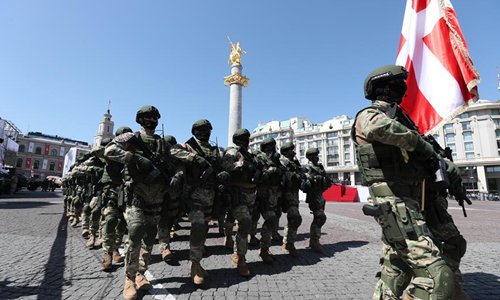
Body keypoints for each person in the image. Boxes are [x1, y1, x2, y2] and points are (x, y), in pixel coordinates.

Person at [351, 65, 454, 300]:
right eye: (398, 84)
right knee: (436, 278)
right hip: (393, 203)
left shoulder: (402, 119)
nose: (404, 89)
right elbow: (379, 128)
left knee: (396, 268)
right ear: (383, 88)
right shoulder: (369, 115)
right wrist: (421, 145)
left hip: (409, 202)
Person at [104, 106, 198, 300]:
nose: (151, 120)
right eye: (147, 117)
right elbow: (108, 150)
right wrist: (134, 156)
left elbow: (181, 157)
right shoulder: (130, 138)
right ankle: (129, 278)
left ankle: (141, 272)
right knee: (136, 230)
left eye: (154, 117)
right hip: (136, 195)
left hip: (156, 198)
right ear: (139, 119)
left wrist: (181, 172)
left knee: (149, 236)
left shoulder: (162, 144)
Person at [181, 119, 229, 285]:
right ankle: (194, 265)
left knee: (204, 228)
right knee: (198, 227)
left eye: (207, 129)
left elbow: (223, 166)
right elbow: (172, 152)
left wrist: (223, 174)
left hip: (212, 195)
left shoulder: (215, 150)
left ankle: (197, 262)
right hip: (194, 195)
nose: (204, 132)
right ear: (194, 131)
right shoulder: (188, 146)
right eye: (200, 129)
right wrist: (194, 158)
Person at [221, 128, 259, 277]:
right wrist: (241, 165)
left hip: (251, 193)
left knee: (241, 222)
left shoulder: (250, 155)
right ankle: (240, 258)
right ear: (236, 141)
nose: (246, 141)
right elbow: (225, 165)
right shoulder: (232, 151)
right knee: (245, 223)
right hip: (238, 193)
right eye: (242, 139)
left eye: (247, 139)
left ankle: (233, 245)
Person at [99, 126, 133, 271]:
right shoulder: (111, 148)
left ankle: (115, 248)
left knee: (124, 223)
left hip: (129, 190)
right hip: (112, 190)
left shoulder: (134, 148)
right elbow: (103, 152)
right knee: (111, 219)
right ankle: (107, 253)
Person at [253, 137, 284, 264]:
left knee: (271, 220)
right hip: (257, 194)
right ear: (264, 148)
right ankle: (239, 254)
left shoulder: (276, 160)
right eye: (270, 146)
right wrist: (270, 170)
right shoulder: (257, 157)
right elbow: (255, 173)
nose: (273, 148)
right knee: (248, 223)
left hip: (271, 195)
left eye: (273, 146)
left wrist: (277, 167)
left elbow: (282, 173)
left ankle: (264, 249)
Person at [301, 147, 332, 252]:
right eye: (313, 156)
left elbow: (327, 182)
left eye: (317, 155)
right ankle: (315, 240)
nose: (316, 157)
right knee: (320, 217)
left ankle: (314, 241)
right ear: (309, 157)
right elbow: (304, 186)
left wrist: (324, 179)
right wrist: (312, 179)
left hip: (320, 195)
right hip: (313, 196)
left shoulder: (320, 167)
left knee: (318, 218)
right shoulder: (306, 168)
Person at [279, 142, 304, 256]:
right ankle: (264, 248)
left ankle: (288, 243)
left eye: (292, 150)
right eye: (290, 150)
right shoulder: (282, 162)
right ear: (284, 152)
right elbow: (281, 175)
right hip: (281, 195)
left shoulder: (294, 162)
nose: (293, 152)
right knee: (272, 220)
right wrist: (293, 175)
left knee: (294, 219)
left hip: (293, 194)